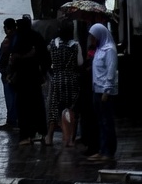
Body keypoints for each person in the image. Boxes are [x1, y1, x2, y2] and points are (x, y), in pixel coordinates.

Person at [8, 17, 47, 145]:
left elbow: (14, 59)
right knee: (37, 105)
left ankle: (26, 135)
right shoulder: (36, 37)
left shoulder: (19, 39)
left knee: (23, 108)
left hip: (23, 79)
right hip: (34, 77)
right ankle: (41, 132)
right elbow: (44, 56)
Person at [45, 21, 82, 147]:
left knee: (54, 108)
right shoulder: (75, 45)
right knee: (71, 108)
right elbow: (80, 63)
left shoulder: (53, 44)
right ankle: (70, 138)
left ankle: (49, 137)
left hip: (57, 78)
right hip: (71, 79)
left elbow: (49, 60)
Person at [86, 22, 118, 162]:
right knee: (100, 121)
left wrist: (107, 89)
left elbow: (111, 70)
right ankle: (102, 149)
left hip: (104, 91)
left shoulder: (109, 49)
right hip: (96, 89)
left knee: (107, 121)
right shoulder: (99, 48)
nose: (92, 39)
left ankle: (108, 151)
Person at [0, 18, 18, 130]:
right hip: (11, 73)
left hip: (8, 74)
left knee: (10, 98)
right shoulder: (16, 38)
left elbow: (1, 57)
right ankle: (13, 120)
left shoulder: (8, 40)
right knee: (13, 98)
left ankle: (12, 121)